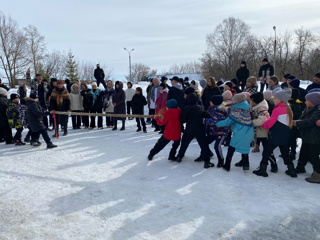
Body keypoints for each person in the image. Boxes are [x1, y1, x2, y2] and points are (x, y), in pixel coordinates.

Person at [253, 88, 297, 178]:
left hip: (276, 134)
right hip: (285, 134)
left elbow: (271, 122)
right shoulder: (288, 108)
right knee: (285, 153)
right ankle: (291, 170)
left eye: (276, 99)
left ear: (281, 99)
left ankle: (262, 169)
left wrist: (263, 125)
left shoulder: (277, 109)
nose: (274, 100)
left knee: (266, 152)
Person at [175, 92, 215, 168]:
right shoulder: (200, 107)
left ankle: (179, 156)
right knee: (204, 145)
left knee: (184, 143)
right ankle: (207, 161)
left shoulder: (186, 108)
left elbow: (182, 120)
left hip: (189, 129)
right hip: (200, 129)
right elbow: (205, 115)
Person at [216, 93, 254, 171]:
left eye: (233, 100)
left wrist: (216, 123)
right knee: (245, 147)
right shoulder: (246, 106)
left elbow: (228, 122)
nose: (232, 100)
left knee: (231, 147)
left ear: (237, 101)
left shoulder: (237, 110)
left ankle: (227, 165)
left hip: (240, 132)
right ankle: (246, 164)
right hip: (249, 131)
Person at [293, 92, 320, 183]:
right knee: (303, 152)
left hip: (314, 137)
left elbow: (310, 121)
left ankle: (318, 174)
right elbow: (303, 118)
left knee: (313, 156)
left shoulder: (317, 111)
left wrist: (297, 123)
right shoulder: (310, 108)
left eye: (307, 100)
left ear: (313, 102)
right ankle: (300, 167)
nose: (305, 102)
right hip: (308, 136)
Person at [250, 92, 278, 172]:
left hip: (263, 132)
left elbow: (261, 121)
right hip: (259, 132)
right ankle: (270, 164)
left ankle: (274, 165)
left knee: (267, 151)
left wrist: (250, 122)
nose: (251, 102)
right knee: (267, 150)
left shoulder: (262, 109)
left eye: (252, 101)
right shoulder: (255, 107)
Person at [198, 95, 229, 167]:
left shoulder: (220, 110)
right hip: (213, 131)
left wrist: (201, 120)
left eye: (211, 101)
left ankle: (221, 160)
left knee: (217, 146)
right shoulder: (212, 108)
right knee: (204, 142)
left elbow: (213, 121)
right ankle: (205, 154)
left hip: (221, 131)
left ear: (215, 103)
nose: (210, 102)